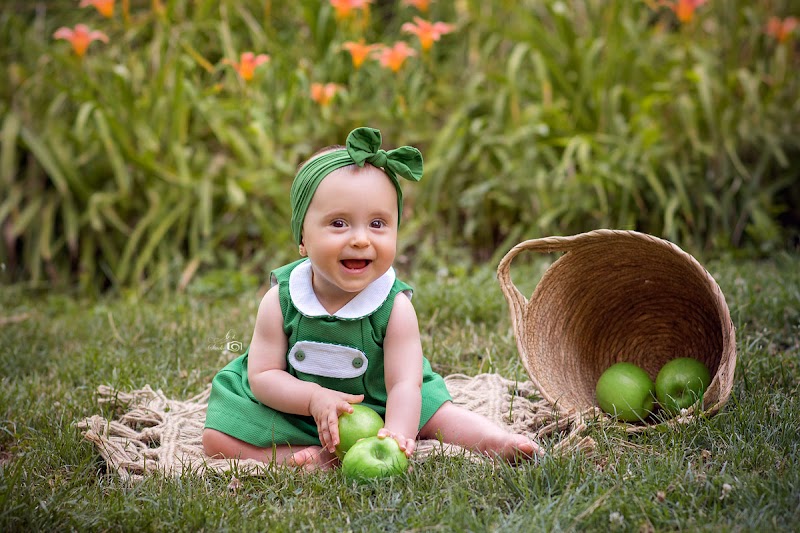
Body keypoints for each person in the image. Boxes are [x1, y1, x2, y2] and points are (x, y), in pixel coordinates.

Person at [202, 127, 541, 470]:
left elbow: (404, 384)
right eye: (338, 223)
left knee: (439, 414)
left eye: (378, 223)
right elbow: (263, 375)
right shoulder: (282, 299)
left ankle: (495, 441)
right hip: (296, 404)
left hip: (384, 401)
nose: (361, 239)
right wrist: (314, 399)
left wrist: (396, 433)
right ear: (302, 238)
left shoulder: (394, 307)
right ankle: (301, 458)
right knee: (217, 437)